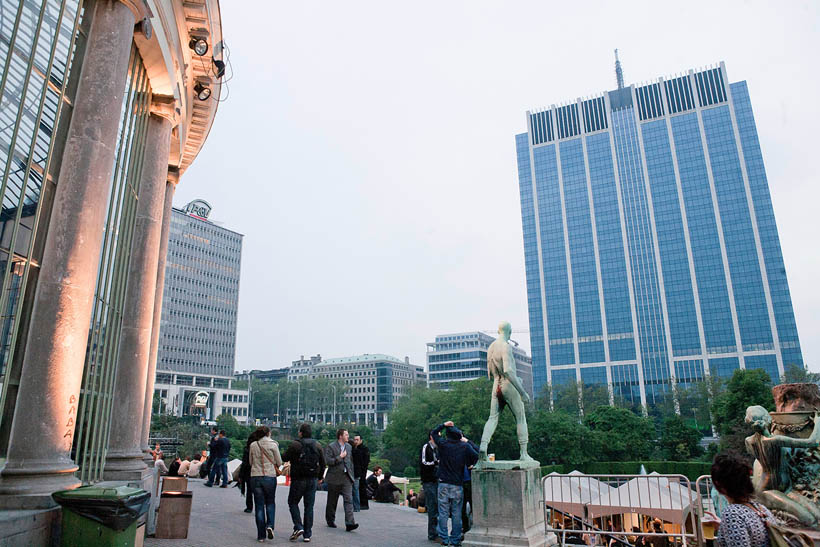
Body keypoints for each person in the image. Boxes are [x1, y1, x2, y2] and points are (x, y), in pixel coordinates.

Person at [744, 406, 820, 526]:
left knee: (817, 516)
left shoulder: (749, 441)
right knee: (810, 520)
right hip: (768, 490)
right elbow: (813, 442)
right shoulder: (774, 440)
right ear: (769, 419)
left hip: (786, 488)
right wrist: (818, 421)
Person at [478, 321, 534, 463]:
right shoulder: (505, 346)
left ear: (498, 331)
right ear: (510, 332)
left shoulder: (491, 347)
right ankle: (524, 453)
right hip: (508, 384)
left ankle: (483, 446)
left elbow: (491, 372)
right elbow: (508, 370)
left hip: (496, 383)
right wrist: (522, 392)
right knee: (521, 418)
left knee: (492, 418)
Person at [707, 452, 776, 547]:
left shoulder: (732, 514)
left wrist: (729, 523)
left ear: (719, 484)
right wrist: (724, 526)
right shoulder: (761, 509)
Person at [431, 420, 478, 547]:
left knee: (443, 512)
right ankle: (455, 539)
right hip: (457, 484)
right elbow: (478, 454)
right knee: (457, 513)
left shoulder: (443, 444)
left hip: (443, 483)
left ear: (448, 435)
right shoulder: (464, 447)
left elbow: (433, 433)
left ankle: (444, 539)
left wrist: (443, 425)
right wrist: (467, 442)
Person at [282, 423, 326, 543]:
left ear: (301, 433)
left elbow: (284, 458)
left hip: (298, 479)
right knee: (309, 506)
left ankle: (298, 526)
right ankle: (307, 534)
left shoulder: (295, 444)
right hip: (312, 479)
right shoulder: (317, 445)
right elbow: (323, 463)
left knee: (292, 502)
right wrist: (320, 477)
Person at [249, 426, 283, 543]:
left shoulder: (253, 445)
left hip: (255, 477)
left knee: (259, 505)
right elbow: (279, 462)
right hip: (269, 477)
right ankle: (270, 525)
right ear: (268, 433)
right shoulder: (273, 445)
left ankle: (261, 536)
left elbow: (250, 462)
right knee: (270, 502)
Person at [324, 429, 358, 532]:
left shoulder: (349, 447)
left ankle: (350, 523)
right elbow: (328, 461)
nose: (348, 436)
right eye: (346, 434)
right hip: (334, 478)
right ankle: (330, 520)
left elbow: (350, 461)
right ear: (340, 436)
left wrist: (351, 473)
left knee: (349, 500)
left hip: (346, 477)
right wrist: (339, 457)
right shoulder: (331, 446)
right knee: (332, 501)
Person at [241, 429, 266, 513]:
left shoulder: (247, 449)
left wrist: (241, 474)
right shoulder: (263, 447)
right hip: (261, 470)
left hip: (249, 471)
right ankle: (260, 505)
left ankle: (249, 507)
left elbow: (245, 462)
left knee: (249, 490)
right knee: (259, 490)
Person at [420, 432, 439, 541]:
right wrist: (435, 463)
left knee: (436, 506)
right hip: (429, 481)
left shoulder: (436, 448)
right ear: (432, 437)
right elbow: (424, 462)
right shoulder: (426, 447)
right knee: (432, 505)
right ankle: (432, 533)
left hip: (435, 480)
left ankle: (435, 531)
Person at [351, 433, 370, 511]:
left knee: (361, 487)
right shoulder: (354, 448)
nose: (356, 441)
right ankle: (359, 504)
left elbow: (365, 461)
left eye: (357, 440)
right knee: (357, 488)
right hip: (357, 470)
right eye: (355, 440)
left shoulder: (364, 449)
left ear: (361, 440)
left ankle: (364, 504)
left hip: (362, 470)